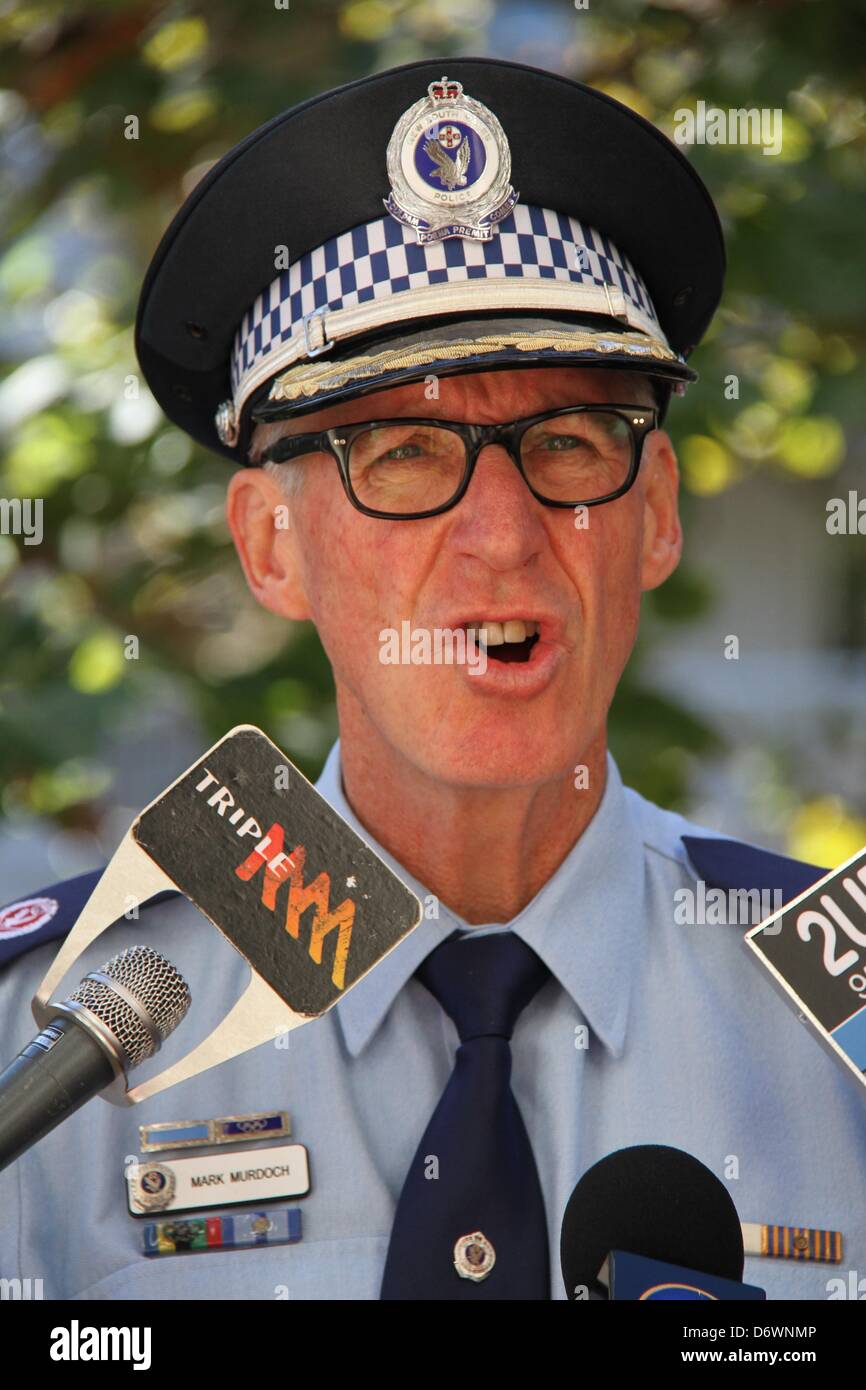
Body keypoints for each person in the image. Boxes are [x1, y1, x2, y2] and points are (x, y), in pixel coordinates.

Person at [1, 58, 863, 1302]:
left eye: (567, 442)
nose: (502, 536)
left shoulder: (838, 1014)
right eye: (401, 452)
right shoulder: (65, 1039)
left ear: (656, 514)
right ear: (269, 546)